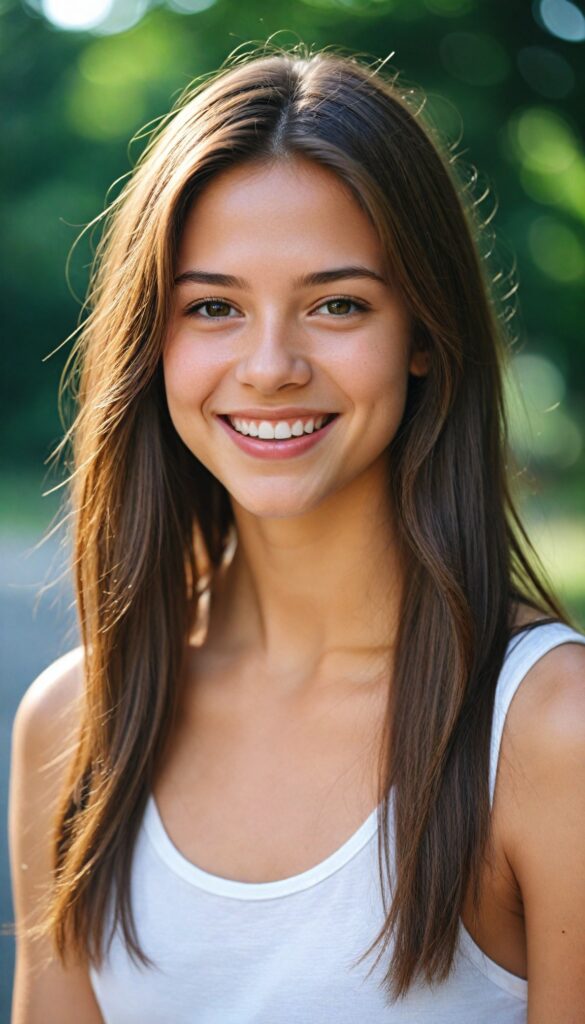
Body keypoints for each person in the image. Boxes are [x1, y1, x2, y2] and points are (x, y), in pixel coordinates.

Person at [8, 45, 585, 1024]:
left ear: (423, 337)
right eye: (214, 307)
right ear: (155, 340)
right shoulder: (74, 725)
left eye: (337, 304)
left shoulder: (550, 731)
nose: (270, 365)